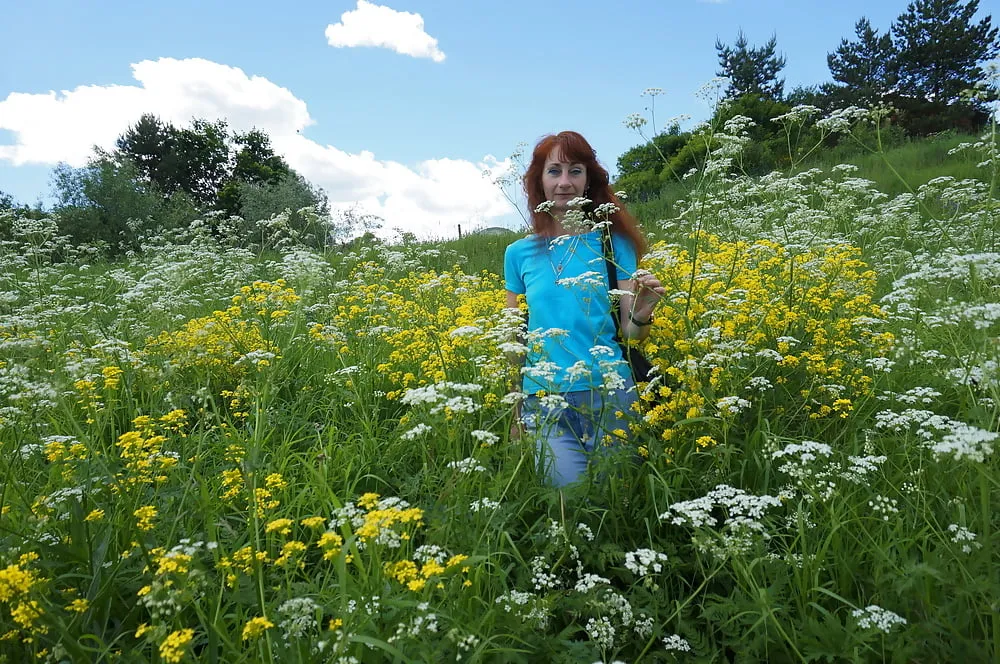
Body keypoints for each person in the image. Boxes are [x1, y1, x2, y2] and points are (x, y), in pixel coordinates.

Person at [503, 130, 664, 487]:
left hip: (610, 395)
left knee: (613, 502)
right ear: (539, 182)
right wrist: (515, 411)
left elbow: (630, 335)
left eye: (575, 171)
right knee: (567, 502)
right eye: (554, 171)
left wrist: (642, 310)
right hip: (542, 398)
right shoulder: (518, 254)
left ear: (588, 180)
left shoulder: (612, 242)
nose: (565, 183)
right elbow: (513, 342)